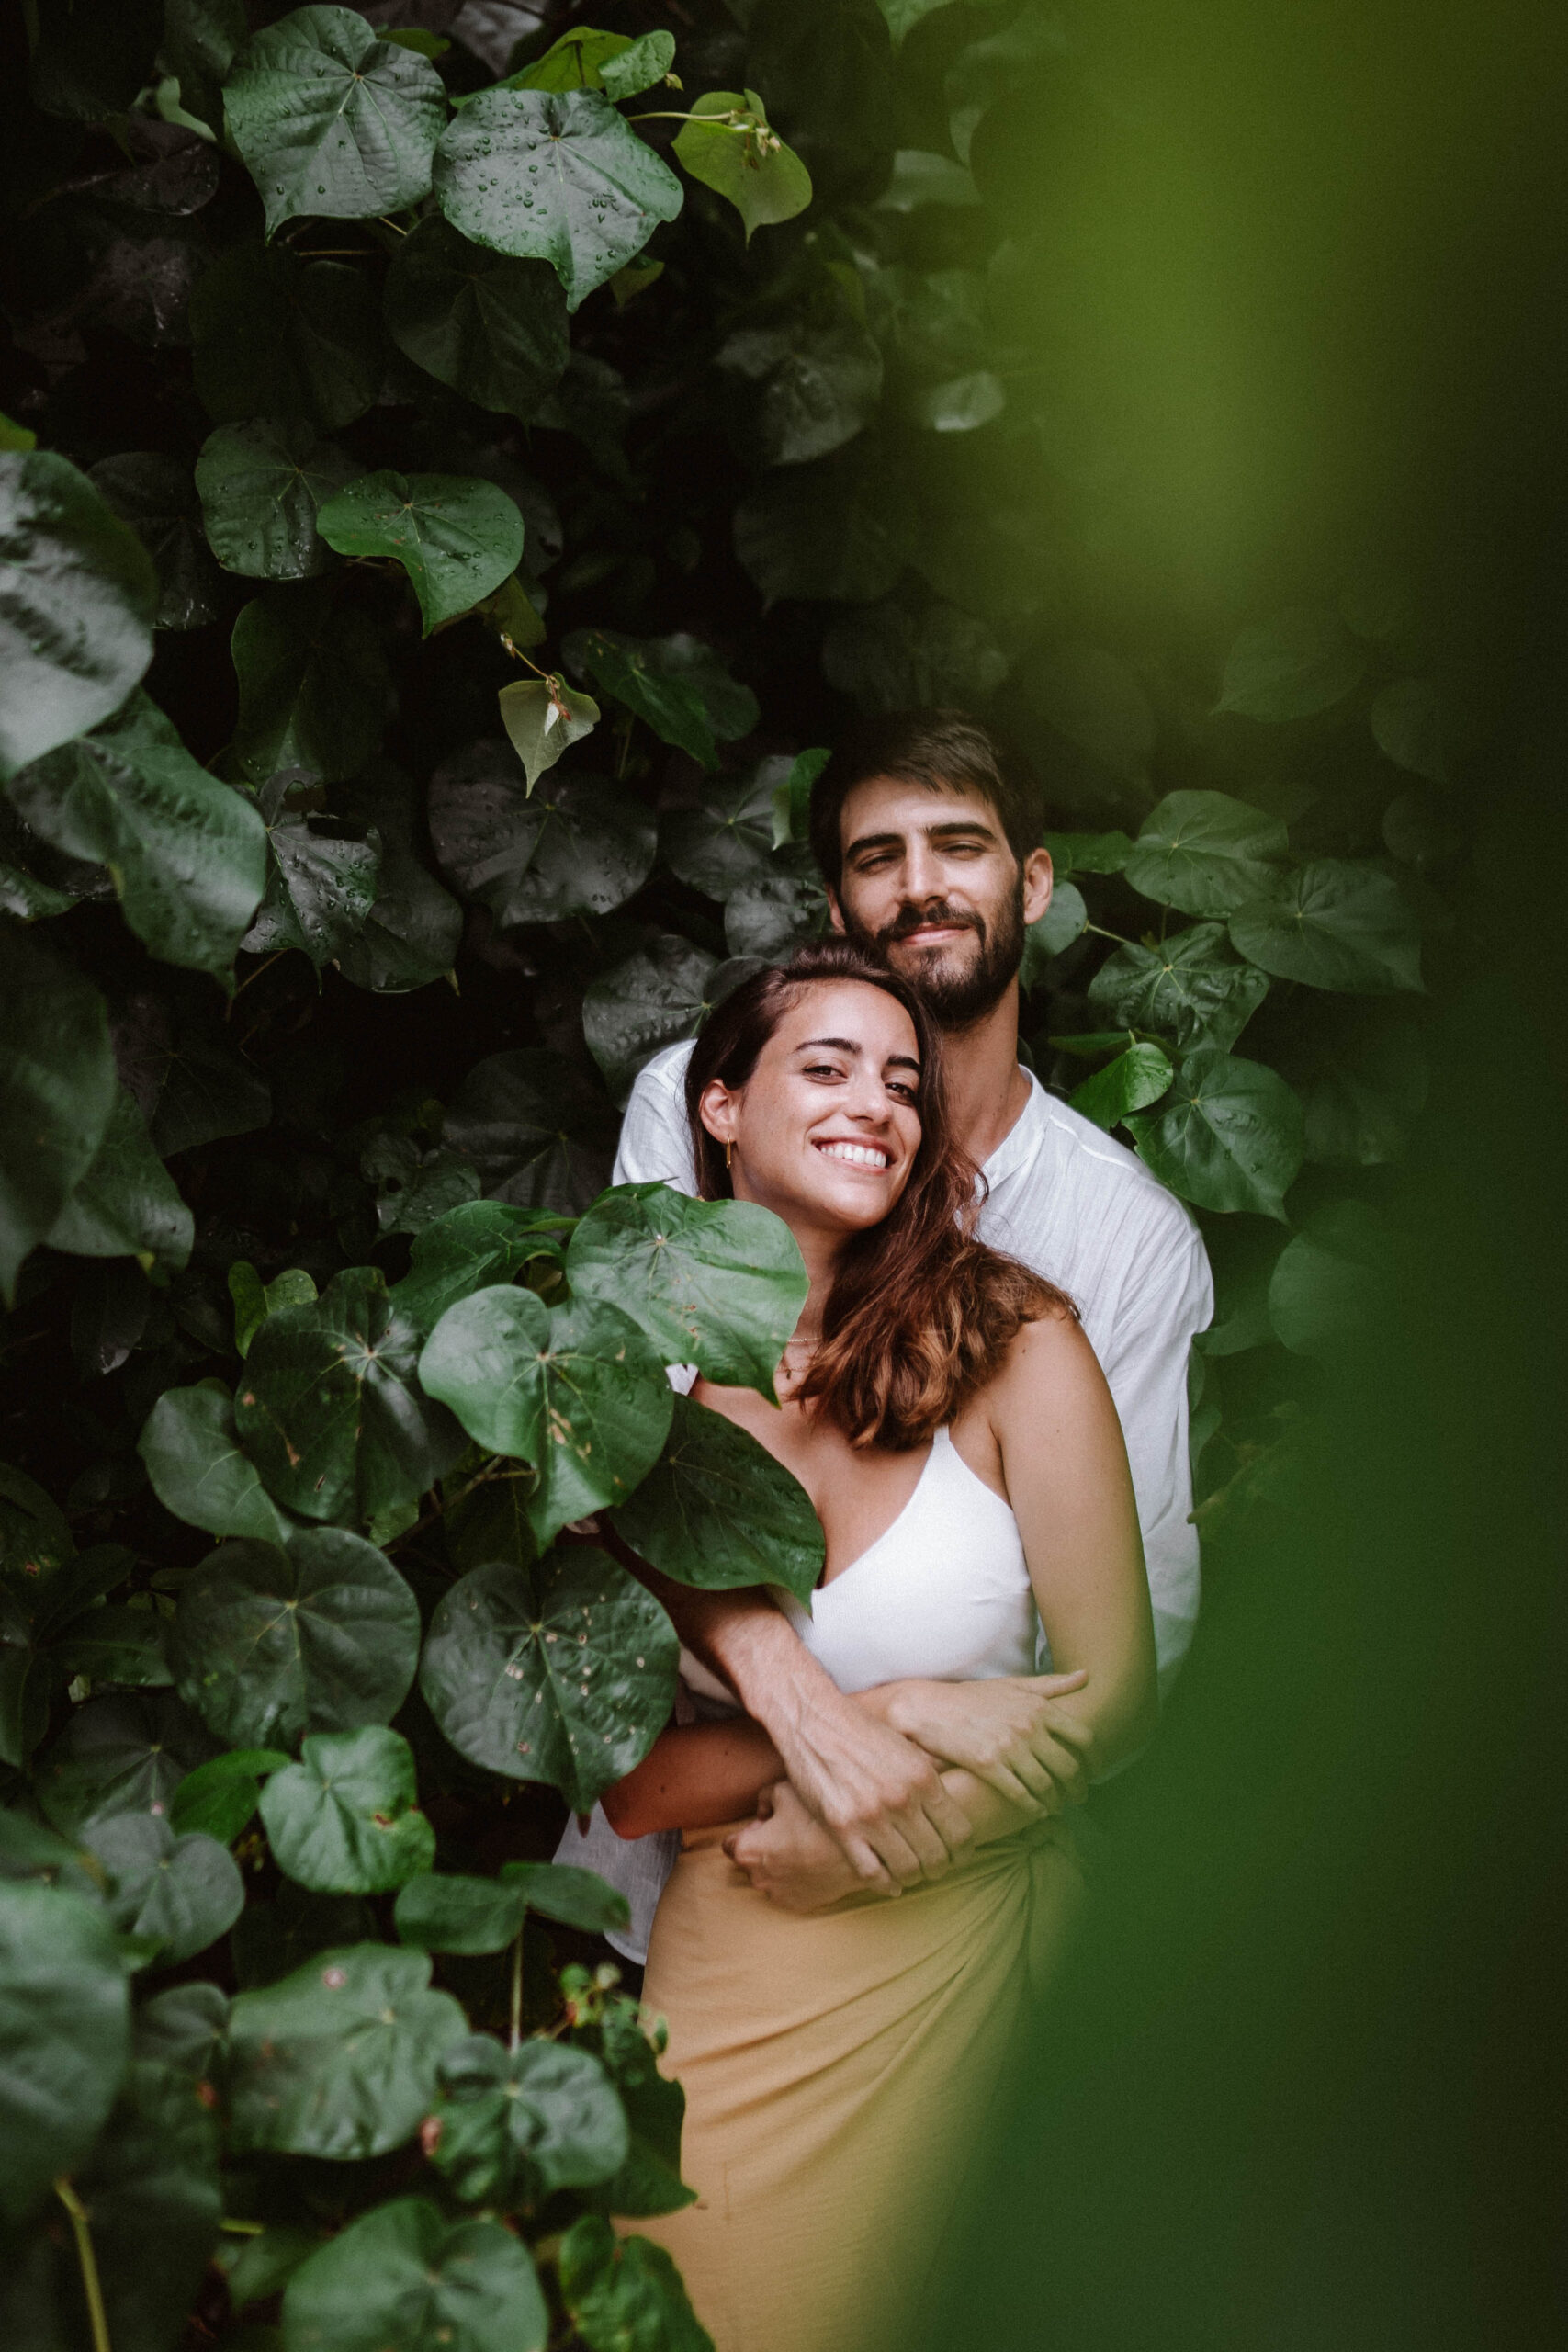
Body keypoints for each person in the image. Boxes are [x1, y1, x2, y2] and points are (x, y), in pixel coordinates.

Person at [558, 710, 1213, 1960]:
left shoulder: (1119, 1245)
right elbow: (617, 1478)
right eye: (878, 857)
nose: (919, 886)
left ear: (1031, 883)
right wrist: (807, 1717)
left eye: (958, 846)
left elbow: (1130, 1654)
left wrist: (883, 1819)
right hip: (660, 1869)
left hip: (955, 1876)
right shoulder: (691, 1114)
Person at [604, 943, 1158, 2352]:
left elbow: (1119, 1700)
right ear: (719, 1106)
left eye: (905, 1081)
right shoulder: (625, 1384)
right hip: (746, 1958)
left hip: (978, 1938)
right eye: (829, 1067)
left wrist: (898, 1744)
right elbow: (632, 1786)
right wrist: (925, 1706)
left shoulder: (1018, 1341)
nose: (880, 1105)